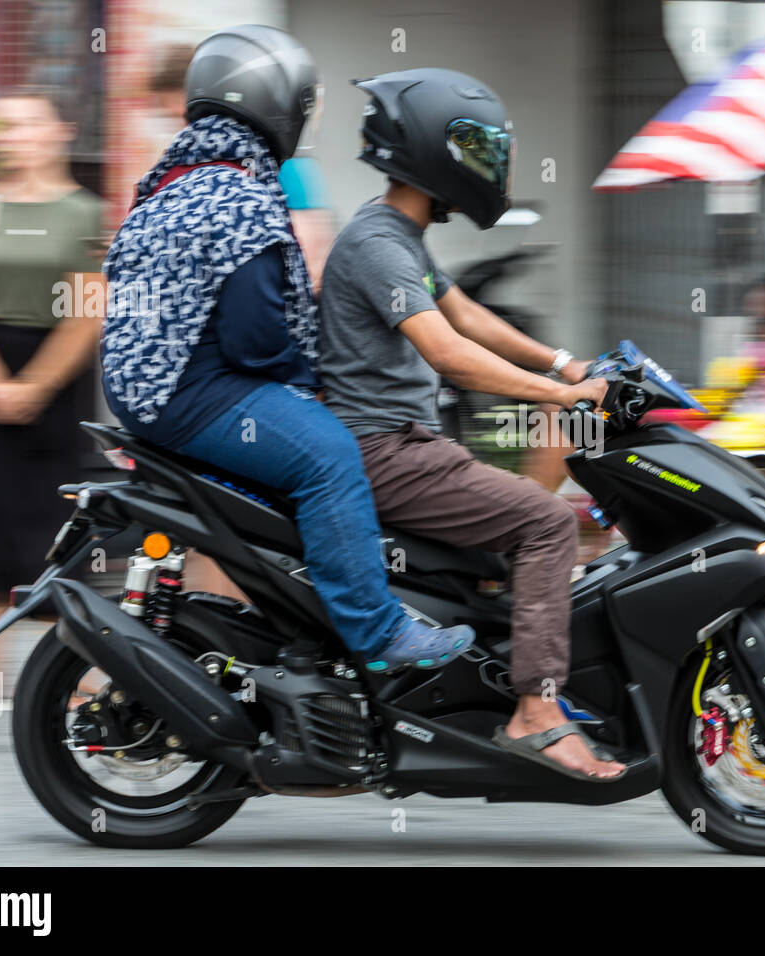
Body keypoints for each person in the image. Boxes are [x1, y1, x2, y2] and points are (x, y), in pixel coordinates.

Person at [101, 26, 472, 673]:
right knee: (328, 455)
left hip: (143, 388)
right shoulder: (242, 195)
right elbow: (255, 336)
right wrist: (309, 380)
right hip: (193, 389)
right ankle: (380, 634)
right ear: (278, 106)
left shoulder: (170, 181)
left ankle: (296, 627)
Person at [320, 67, 624, 781]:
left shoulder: (399, 233)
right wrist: (558, 399)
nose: (490, 167)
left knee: (509, 537)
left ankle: (482, 696)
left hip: (401, 444)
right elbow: (449, 351)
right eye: (476, 150)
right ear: (431, 153)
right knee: (546, 525)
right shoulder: (376, 241)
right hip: (383, 451)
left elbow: (467, 315)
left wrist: (563, 362)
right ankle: (537, 714)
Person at [0, 89, 105, 698]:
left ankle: (73, 666)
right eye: (3, 125)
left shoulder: (85, 213)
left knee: (55, 521)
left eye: (28, 123)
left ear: (61, 130)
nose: (14, 135)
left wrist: (34, 386)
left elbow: (88, 312)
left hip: (57, 380)